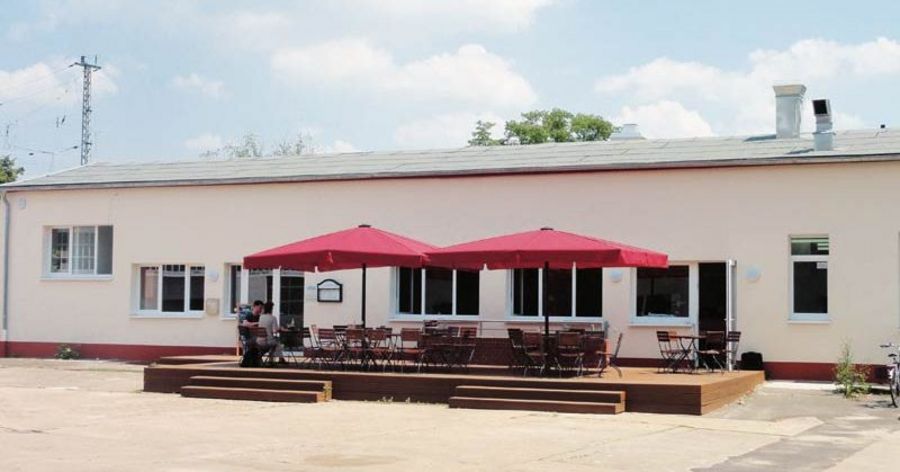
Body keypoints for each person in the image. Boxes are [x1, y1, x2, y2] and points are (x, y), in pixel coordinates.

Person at [238, 301, 264, 367]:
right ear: (255, 306)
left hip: (256, 338)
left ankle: (256, 359)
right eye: (260, 307)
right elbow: (245, 324)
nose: (261, 309)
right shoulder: (249, 315)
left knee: (267, 343)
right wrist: (257, 323)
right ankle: (256, 359)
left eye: (262, 308)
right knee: (264, 343)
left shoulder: (260, 317)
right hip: (249, 338)